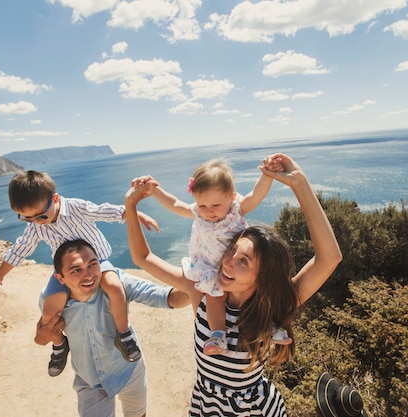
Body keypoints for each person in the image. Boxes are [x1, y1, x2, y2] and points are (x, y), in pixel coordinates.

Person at [124, 153, 342, 416]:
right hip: (206, 405)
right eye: (231, 251)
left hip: (253, 410)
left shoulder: (272, 305)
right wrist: (131, 206)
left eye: (244, 262)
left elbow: (330, 257)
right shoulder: (202, 290)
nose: (227, 263)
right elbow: (142, 257)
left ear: (262, 275)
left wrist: (300, 183)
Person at [0, 170, 158, 376]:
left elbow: (105, 211)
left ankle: (123, 334)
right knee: (48, 309)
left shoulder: (76, 207)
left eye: (40, 216)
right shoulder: (37, 226)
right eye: (26, 219)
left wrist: (138, 215)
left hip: (96, 262)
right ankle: (59, 344)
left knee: (114, 288)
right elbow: (20, 249)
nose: (36, 221)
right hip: (65, 271)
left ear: (55, 199)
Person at [130, 156, 291, 356]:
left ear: (231, 197)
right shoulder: (198, 212)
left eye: (215, 205)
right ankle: (217, 335)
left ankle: (268, 327)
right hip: (209, 268)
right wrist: (154, 190)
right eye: (203, 205)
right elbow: (174, 204)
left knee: (256, 295)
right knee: (214, 299)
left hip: (234, 266)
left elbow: (255, 195)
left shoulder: (236, 210)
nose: (209, 211)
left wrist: (267, 175)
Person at [34, 239, 190, 417]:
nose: (89, 275)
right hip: (89, 379)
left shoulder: (117, 283)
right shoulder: (50, 300)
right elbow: (41, 338)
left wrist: (194, 287)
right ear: (59, 278)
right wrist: (42, 337)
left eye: (93, 264)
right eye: (76, 270)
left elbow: (168, 298)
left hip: (128, 370)